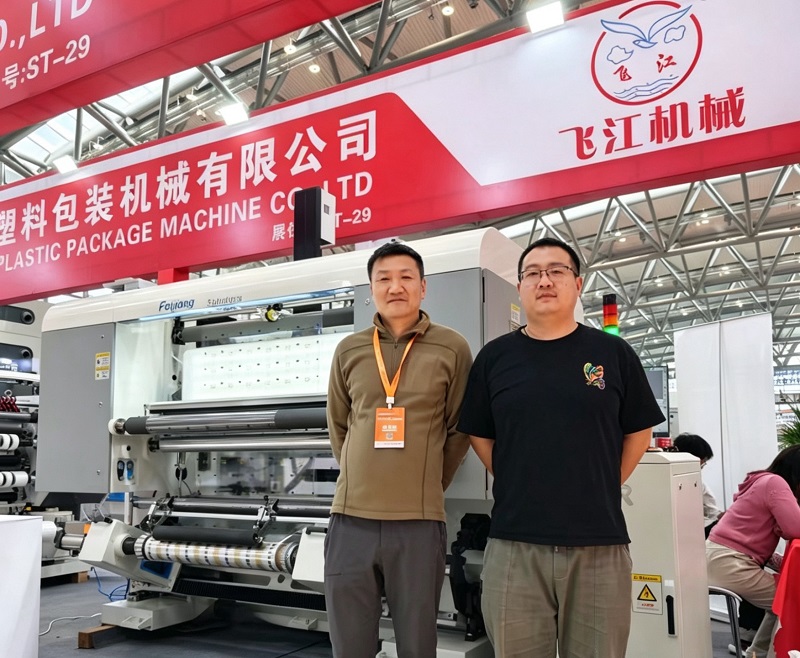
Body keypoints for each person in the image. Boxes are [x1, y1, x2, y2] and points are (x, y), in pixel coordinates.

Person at [457, 236, 665, 658]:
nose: (544, 280)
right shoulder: (494, 358)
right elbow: (479, 432)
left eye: (556, 271)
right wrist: (511, 475)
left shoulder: (613, 354)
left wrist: (605, 481)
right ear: (520, 287)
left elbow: (638, 432)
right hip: (514, 545)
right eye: (533, 273)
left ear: (578, 283)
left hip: (598, 545)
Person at [324, 241, 473, 658]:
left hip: (418, 524)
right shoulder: (350, 349)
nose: (395, 287)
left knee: (417, 643)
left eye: (406, 277)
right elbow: (339, 425)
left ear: (423, 287)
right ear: (371, 288)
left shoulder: (452, 348)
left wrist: (428, 485)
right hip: (350, 520)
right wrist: (359, 475)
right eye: (384, 279)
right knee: (349, 645)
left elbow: (459, 429)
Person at [706, 444, 800, 658]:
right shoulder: (775, 483)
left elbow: (750, 538)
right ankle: (765, 652)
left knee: (782, 598)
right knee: (790, 599)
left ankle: (758, 652)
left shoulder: (761, 481)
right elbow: (795, 527)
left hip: (721, 559)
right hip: (731, 563)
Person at [671, 433, 722, 536]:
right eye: (703, 460)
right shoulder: (694, 482)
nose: (703, 464)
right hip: (697, 530)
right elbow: (713, 513)